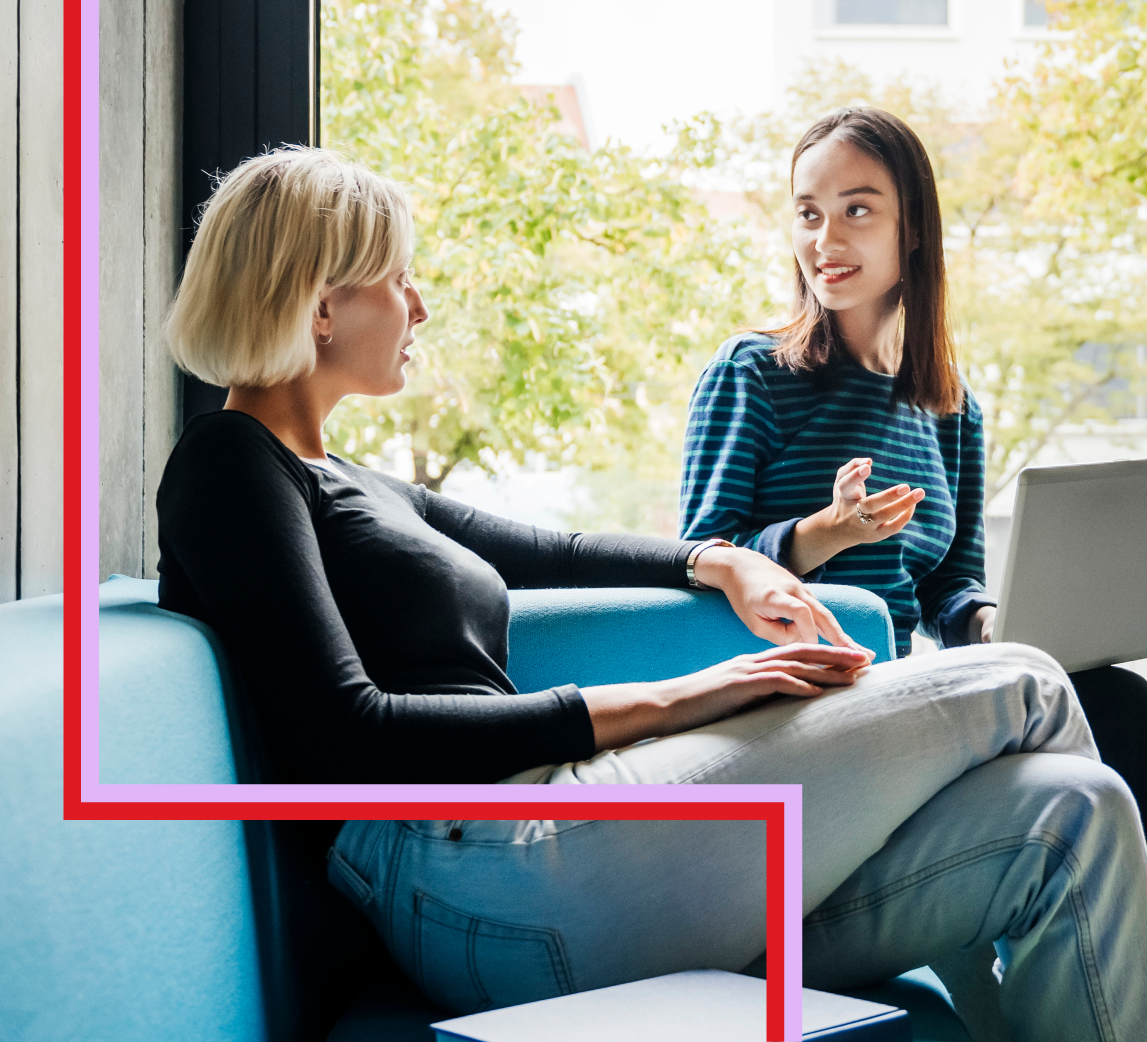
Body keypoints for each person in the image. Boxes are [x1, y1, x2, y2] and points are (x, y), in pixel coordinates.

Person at [157, 145, 1147, 1041]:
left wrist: (715, 561)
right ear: (319, 304)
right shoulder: (229, 464)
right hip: (483, 866)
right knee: (1024, 678)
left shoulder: (353, 479)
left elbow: (554, 546)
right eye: (397, 280)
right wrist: (703, 692)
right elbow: (349, 732)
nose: (419, 306)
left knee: (1070, 812)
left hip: (544, 867)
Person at [678, 106, 1147, 810]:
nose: (824, 240)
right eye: (808, 215)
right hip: (792, 695)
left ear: (914, 228)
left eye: (856, 210)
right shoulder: (750, 372)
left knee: (1113, 700)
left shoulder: (952, 408)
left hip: (899, 687)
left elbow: (947, 590)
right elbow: (693, 561)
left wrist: (990, 624)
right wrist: (825, 533)